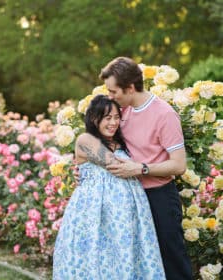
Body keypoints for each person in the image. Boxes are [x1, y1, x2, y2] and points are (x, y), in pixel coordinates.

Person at [97, 57, 193, 280]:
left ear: (130, 87)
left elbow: (179, 165)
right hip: (128, 198)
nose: (110, 97)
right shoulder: (121, 111)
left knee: (172, 260)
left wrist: (140, 169)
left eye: (113, 91)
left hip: (159, 197)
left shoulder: (164, 114)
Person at [53, 95, 166, 280]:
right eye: (107, 118)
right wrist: (136, 165)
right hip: (95, 211)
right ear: (94, 118)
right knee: (97, 256)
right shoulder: (85, 139)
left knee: (126, 257)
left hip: (126, 214)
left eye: (116, 117)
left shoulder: (121, 142)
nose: (113, 122)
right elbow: (114, 164)